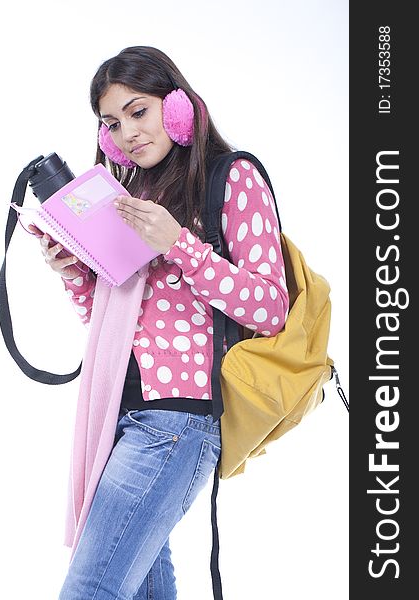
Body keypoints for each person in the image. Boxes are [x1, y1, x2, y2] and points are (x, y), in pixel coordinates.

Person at [30, 45, 289, 600]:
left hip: (176, 425)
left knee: (90, 589)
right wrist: (76, 272)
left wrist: (181, 245)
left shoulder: (231, 177)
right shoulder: (129, 195)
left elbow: (271, 308)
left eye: (138, 111)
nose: (127, 133)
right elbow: (117, 324)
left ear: (176, 106)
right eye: (111, 122)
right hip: (120, 419)